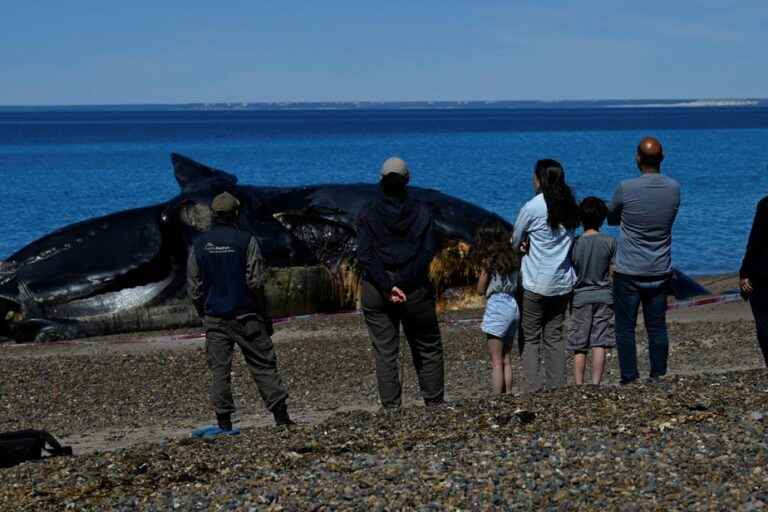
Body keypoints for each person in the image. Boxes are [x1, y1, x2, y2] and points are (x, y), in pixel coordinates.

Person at [187, 191, 293, 437]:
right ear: (236, 213)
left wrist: (203, 312)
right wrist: (263, 314)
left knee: (220, 371)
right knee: (263, 364)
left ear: (213, 214)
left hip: (215, 317)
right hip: (247, 315)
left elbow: (194, 286)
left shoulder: (200, 244)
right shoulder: (247, 240)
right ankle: (281, 417)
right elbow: (256, 281)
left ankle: (224, 424)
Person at [357, 157, 444, 409]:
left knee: (385, 352)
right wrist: (402, 282)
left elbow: (364, 254)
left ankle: (391, 407)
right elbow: (427, 251)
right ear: (407, 180)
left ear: (381, 180)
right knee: (427, 346)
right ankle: (435, 402)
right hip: (414, 287)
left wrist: (387, 285)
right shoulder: (423, 210)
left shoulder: (367, 212)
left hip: (377, 288)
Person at [607, 137, 680, 385]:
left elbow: (612, 217)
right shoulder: (673, 188)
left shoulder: (626, 188)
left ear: (637, 158)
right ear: (662, 158)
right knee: (657, 326)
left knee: (625, 328)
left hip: (629, 269)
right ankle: (658, 373)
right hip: (659, 267)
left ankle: (630, 376)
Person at [512, 159, 580, 392]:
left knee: (530, 337)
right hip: (562, 281)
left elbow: (514, 239)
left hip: (535, 282)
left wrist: (522, 245)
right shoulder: (570, 205)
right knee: (554, 336)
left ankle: (533, 388)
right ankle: (557, 387)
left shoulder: (533, 206)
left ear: (540, 179)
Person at [568, 197, 617, 385]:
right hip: (604, 295)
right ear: (603, 218)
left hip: (580, 296)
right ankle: (596, 383)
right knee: (600, 341)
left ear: (581, 219)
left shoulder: (575, 243)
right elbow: (613, 272)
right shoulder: (610, 242)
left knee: (579, 344)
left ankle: (579, 383)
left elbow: (571, 268)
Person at [475, 222, 521, 394]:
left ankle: (496, 399)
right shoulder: (513, 258)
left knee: (496, 361)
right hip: (513, 306)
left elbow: (480, 290)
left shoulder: (489, 261)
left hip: (497, 307)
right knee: (507, 359)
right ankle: (508, 394)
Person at [739, 196, 768, 367]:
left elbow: (755, 241)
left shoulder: (765, 204)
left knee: (764, 324)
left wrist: (744, 272)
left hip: (764, 275)